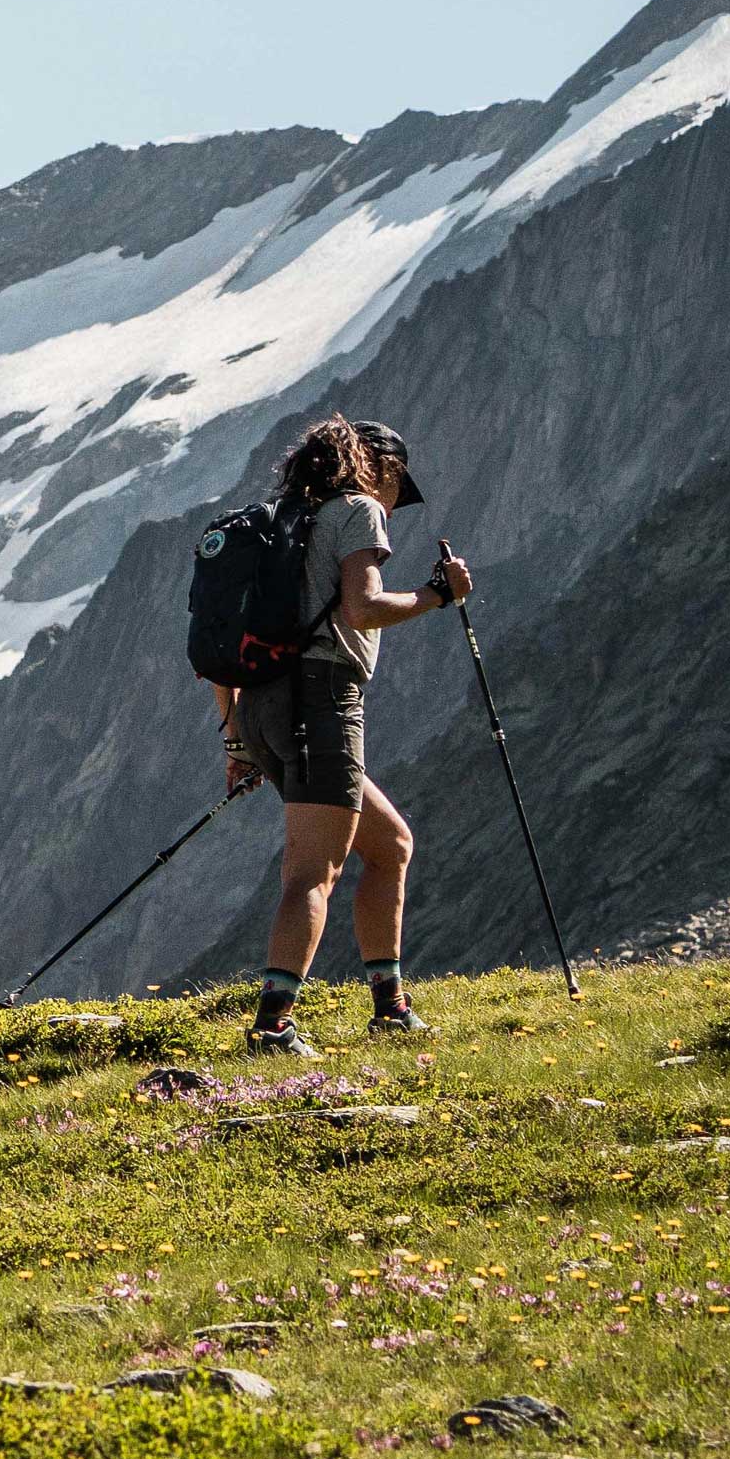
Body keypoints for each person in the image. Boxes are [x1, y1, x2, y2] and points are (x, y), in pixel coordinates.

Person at [220, 416, 465, 1053]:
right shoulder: (359, 510)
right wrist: (438, 595)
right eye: (398, 486)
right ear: (379, 467)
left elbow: (220, 644)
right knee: (312, 872)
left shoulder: (281, 522)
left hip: (263, 705)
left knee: (390, 845)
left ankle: (391, 1007)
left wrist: (237, 739)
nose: (395, 503)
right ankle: (272, 1027)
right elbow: (363, 608)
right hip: (322, 697)